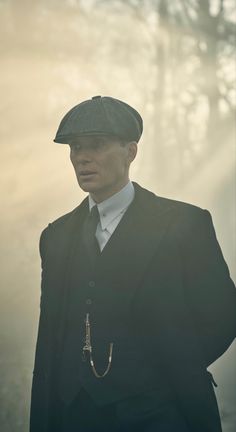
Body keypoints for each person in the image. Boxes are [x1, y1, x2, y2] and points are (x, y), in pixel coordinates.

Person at [30, 95, 236, 432]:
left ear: (130, 152)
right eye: (75, 147)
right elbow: (51, 340)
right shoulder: (55, 237)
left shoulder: (185, 223)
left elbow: (223, 315)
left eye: (96, 145)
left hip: (162, 414)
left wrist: (167, 373)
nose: (82, 157)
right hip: (74, 416)